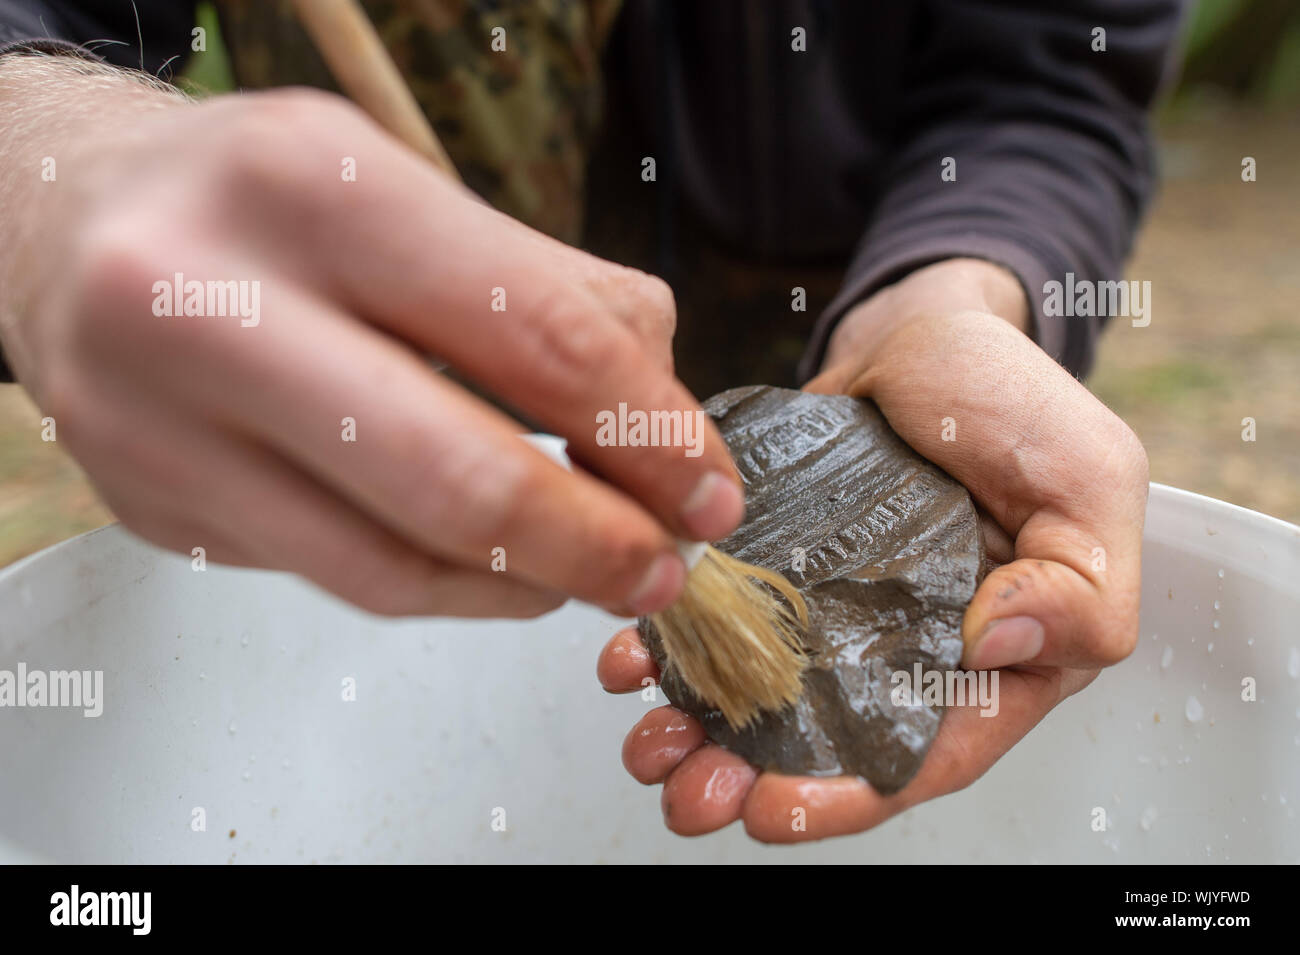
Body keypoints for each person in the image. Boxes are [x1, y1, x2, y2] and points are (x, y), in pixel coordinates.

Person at [0, 0, 1178, 842]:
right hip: (369, 372)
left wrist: (958, 285)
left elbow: (1051, 82)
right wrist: (44, 165)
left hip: (834, 356)